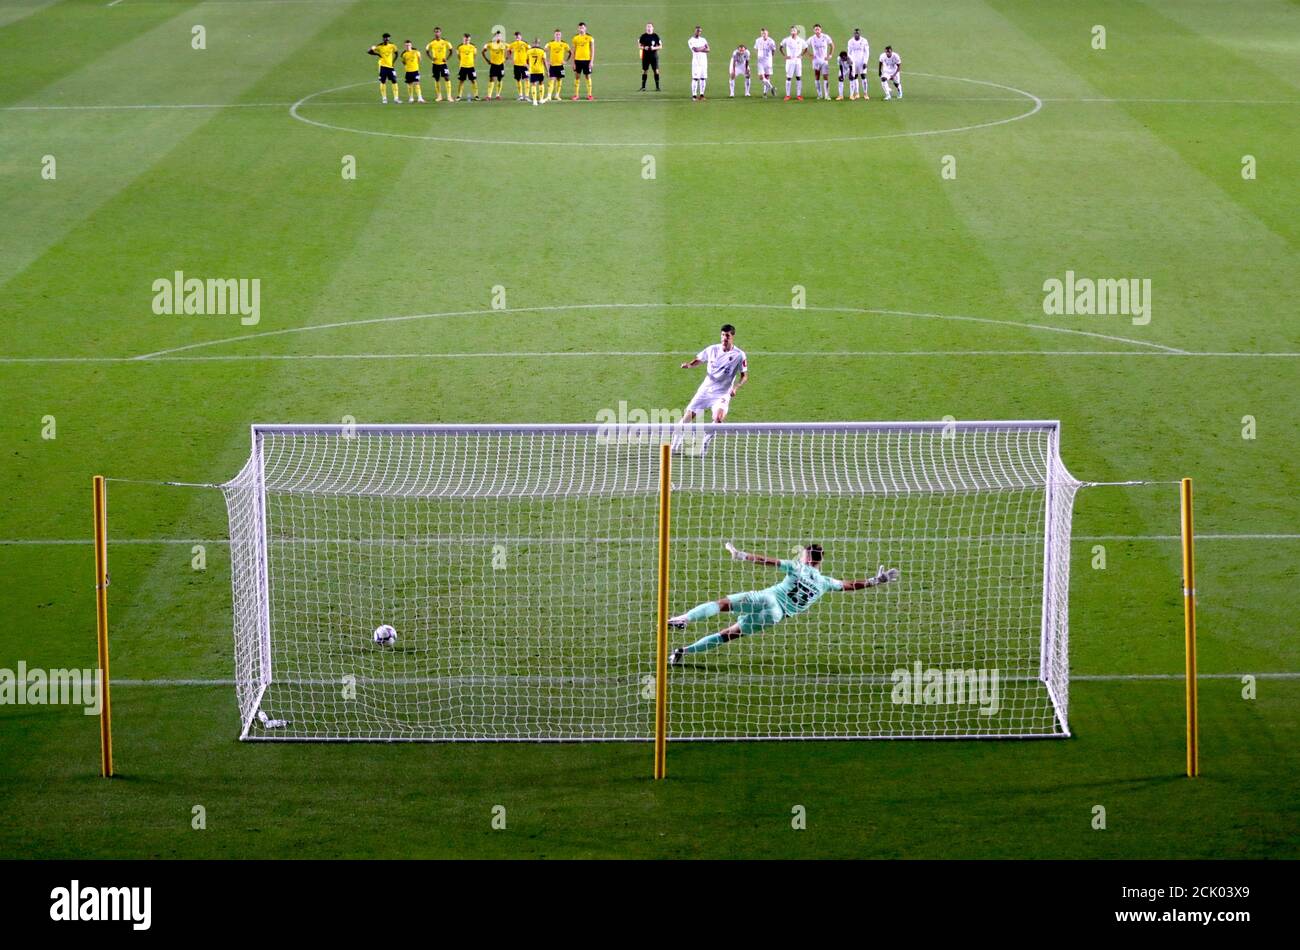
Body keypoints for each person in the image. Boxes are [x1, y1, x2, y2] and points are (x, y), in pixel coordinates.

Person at [667, 543, 900, 664]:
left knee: (722, 604)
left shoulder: (798, 567)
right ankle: (682, 652)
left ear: (808, 558)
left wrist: (741, 555)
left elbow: (768, 561)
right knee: (729, 634)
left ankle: (683, 619)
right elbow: (850, 585)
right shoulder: (826, 582)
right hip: (776, 616)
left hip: (768, 598)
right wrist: (875, 580)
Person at [671, 324, 746, 456]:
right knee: (687, 418)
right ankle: (674, 446)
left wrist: (736, 388)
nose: (724, 338)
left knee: (718, 418)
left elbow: (744, 376)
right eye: (723, 335)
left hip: (723, 393)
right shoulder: (712, 349)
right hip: (706, 390)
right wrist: (689, 365)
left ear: (732, 336)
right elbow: (699, 359)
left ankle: (704, 441)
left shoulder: (739, 355)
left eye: (727, 335)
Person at [368, 33, 400, 104]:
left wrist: (393, 62)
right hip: (383, 67)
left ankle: (396, 98)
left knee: (394, 80)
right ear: (383, 39)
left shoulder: (392, 46)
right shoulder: (379, 46)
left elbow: (397, 53)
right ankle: (384, 98)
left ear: (389, 39)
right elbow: (369, 51)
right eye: (385, 38)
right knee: (383, 81)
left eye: (387, 38)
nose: (386, 39)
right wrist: (377, 54)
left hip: (390, 67)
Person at [779, 25, 807, 101]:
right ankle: (788, 95)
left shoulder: (801, 40)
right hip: (790, 61)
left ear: (797, 32)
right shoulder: (786, 40)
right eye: (791, 30)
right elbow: (780, 47)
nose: (793, 32)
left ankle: (799, 95)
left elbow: (806, 48)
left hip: (798, 61)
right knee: (789, 78)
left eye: (794, 30)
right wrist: (785, 55)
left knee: (798, 77)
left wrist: (801, 55)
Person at [571, 22, 595, 99]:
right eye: (580, 28)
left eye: (583, 27)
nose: (581, 29)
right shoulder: (575, 38)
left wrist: (591, 61)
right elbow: (573, 51)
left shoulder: (589, 38)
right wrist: (573, 62)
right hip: (578, 60)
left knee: (588, 76)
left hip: (587, 60)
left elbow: (592, 50)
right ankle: (576, 95)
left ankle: (589, 95)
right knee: (577, 77)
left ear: (585, 28)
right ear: (578, 28)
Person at [846, 28, 870, 100]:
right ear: (854, 34)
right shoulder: (850, 41)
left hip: (862, 61)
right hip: (854, 62)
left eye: (858, 33)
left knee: (863, 76)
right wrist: (850, 60)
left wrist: (865, 62)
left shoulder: (864, 41)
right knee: (855, 76)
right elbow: (849, 52)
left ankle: (865, 93)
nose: (856, 34)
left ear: (860, 34)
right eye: (855, 33)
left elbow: (867, 52)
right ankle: (857, 93)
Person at [753, 28, 777, 97]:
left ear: (767, 33)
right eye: (762, 33)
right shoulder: (758, 40)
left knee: (767, 77)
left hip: (768, 61)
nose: (763, 35)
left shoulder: (771, 41)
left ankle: (765, 93)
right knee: (761, 77)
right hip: (760, 61)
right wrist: (758, 55)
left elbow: (773, 50)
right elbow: (755, 48)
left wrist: (770, 57)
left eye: (765, 33)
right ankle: (772, 88)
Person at [687, 26, 709, 100]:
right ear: (694, 31)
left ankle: (702, 95)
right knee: (695, 78)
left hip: (704, 61)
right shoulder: (691, 40)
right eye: (697, 31)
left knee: (703, 78)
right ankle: (694, 95)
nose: (698, 32)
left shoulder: (703, 39)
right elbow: (695, 50)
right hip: (696, 62)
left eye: (700, 31)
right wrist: (703, 47)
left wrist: (700, 48)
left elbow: (708, 49)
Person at [638, 22, 662, 91]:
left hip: (654, 56)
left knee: (656, 71)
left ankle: (657, 87)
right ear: (646, 28)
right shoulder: (643, 36)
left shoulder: (656, 36)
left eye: (650, 27)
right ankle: (643, 87)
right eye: (647, 27)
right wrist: (644, 48)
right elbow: (639, 45)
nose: (649, 28)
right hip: (645, 56)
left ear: (652, 28)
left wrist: (653, 48)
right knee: (644, 71)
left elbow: (660, 46)